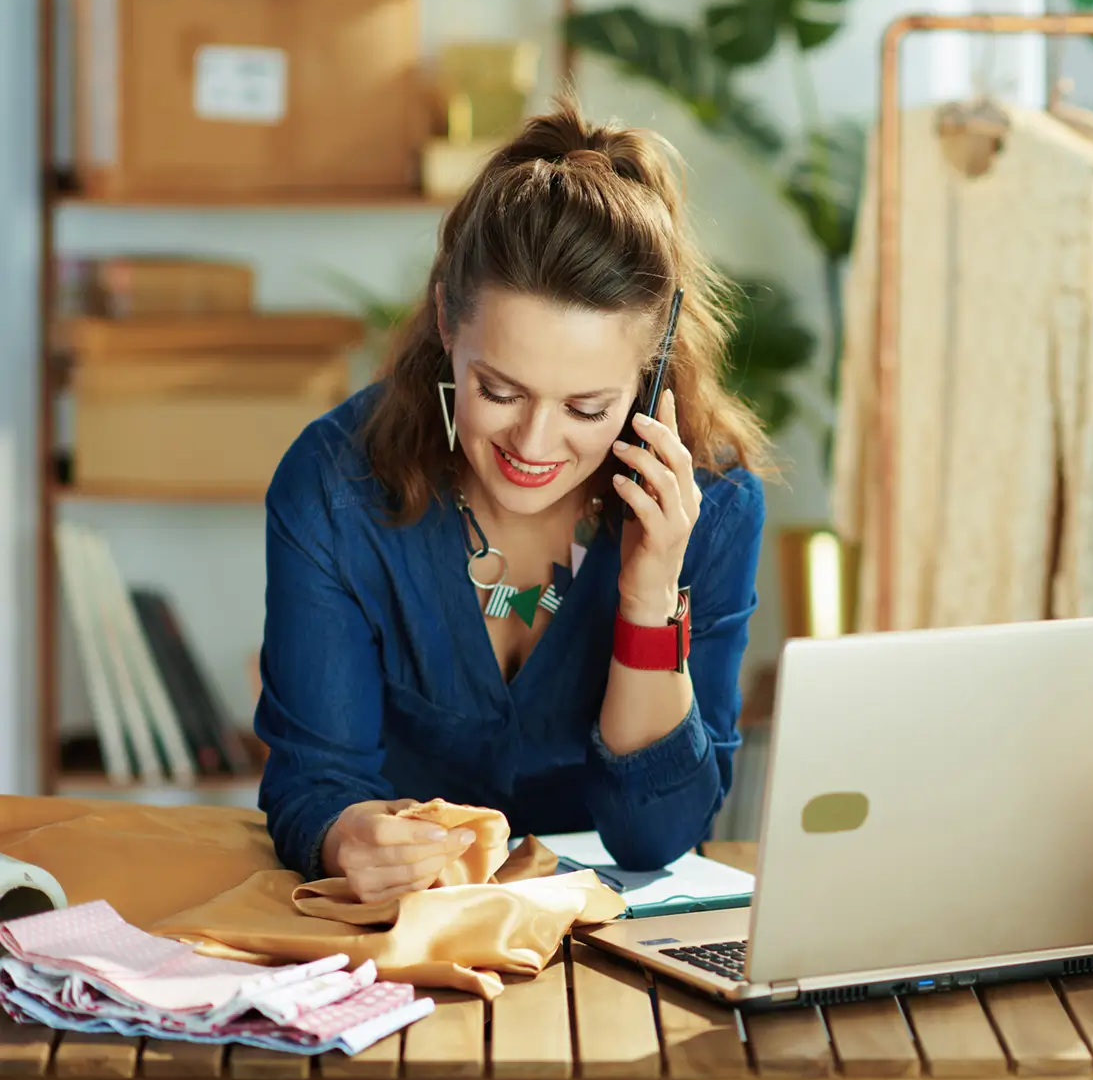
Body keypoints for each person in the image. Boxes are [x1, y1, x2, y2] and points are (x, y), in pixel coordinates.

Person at [255, 99, 769, 904]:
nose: (534, 444)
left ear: (652, 368)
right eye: (498, 390)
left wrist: (648, 590)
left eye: (587, 410)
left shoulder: (714, 502)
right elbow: (314, 783)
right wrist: (343, 834)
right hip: (396, 945)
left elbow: (662, 836)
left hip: (611, 961)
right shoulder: (335, 486)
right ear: (445, 322)